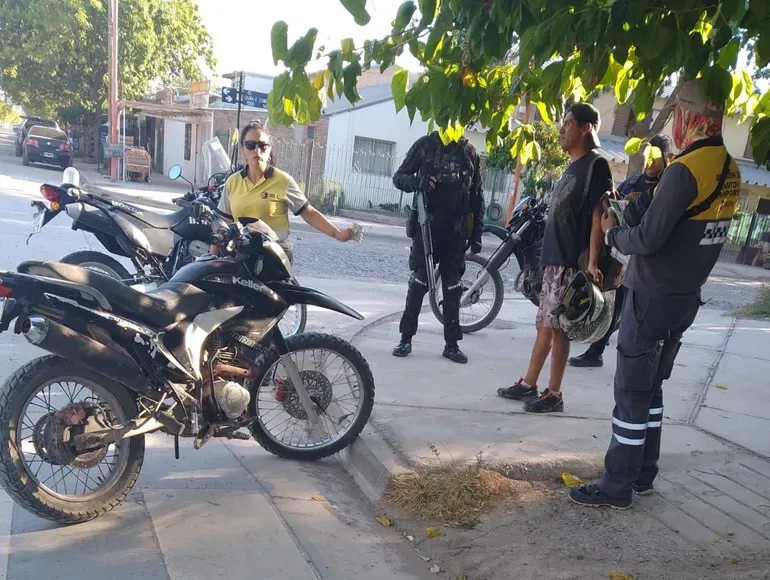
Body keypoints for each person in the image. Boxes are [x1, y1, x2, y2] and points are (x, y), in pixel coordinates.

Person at [569, 80, 740, 509]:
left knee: (630, 392)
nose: (677, 121)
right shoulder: (729, 169)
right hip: (685, 297)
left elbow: (646, 238)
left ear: (689, 117)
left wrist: (612, 236)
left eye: (679, 113)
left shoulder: (686, 169)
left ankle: (616, 487)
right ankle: (644, 473)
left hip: (651, 296)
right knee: (653, 389)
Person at [496, 103, 613, 412]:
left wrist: (591, 262)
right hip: (553, 258)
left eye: (569, 123)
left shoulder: (595, 165)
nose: (562, 129)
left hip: (570, 262)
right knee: (545, 325)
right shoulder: (573, 164)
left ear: (586, 128)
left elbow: (598, 216)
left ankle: (554, 394)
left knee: (560, 328)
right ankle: (529, 384)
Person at [568, 134, 676, 368]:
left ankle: (636, 358)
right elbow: (609, 210)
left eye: (655, 158)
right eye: (648, 157)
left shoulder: (668, 189)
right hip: (620, 255)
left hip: (647, 263)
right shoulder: (633, 182)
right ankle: (596, 350)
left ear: (667, 158)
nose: (650, 163)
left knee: (636, 314)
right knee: (614, 305)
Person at [391, 131, 485, 364]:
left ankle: (451, 345)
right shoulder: (425, 145)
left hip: (456, 231)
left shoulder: (469, 153)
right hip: (427, 227)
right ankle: (406, 339)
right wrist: (418, 183)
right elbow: (399, 177)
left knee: (453, 288)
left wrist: (477, 234)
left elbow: (477, 196)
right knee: (418, 283)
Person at [214, 120, 361, 260]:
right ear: (243, 149)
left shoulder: (283, 181)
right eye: (250, 145)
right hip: (242, 256)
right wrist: (210, 258)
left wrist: (338, 234)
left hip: (275, 257)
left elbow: (309, 213)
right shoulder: (232, 182)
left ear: (270, 148)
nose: (256, 150)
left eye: (262, 145)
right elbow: (222, 223)